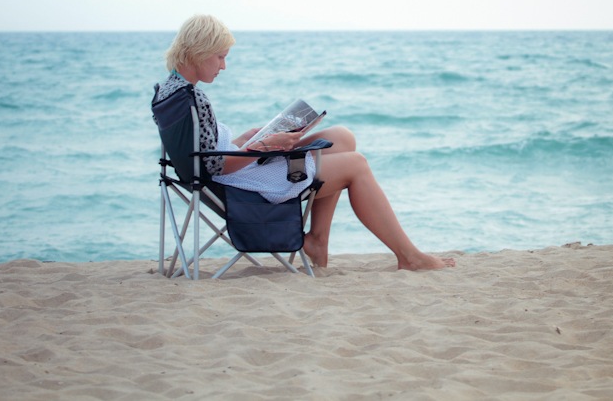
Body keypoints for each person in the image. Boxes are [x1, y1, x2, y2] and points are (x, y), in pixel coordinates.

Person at [153, 14, 455, 272]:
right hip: (238, 180)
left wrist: (251, 137)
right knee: (356, 165)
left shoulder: (172, 91)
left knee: (341, 137)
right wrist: (265, 146)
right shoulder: (192, 97)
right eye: (220, 56)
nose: (223, 66)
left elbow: (204, 151)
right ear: (199, 51)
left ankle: (317, 241)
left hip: (230, 169)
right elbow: (215, 165)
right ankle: (410, 257)